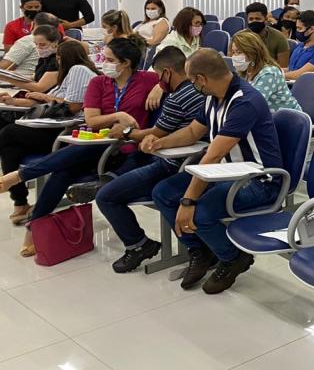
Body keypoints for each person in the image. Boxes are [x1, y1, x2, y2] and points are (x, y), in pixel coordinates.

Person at [1, 38, 160, 256]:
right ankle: (33, 226)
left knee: (67, 164)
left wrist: (159, 88)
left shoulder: (148, 80)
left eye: (110, 60)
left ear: (126, 63)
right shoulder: (99, 83)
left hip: (128, 148)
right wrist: (118, 116)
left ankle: (21, 177)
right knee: (62, 172)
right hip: (98, 145)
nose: (104, 63)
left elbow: (176, 78)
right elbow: (92, 120)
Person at [149, 49, 283, 294]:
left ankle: (233, 258)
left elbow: (213, 155)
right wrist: (159, 142)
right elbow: (192, 132)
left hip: (259, 181)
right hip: (224, 174)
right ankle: (201, 250)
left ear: (201, 79)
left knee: (199, 212)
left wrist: (188, 201)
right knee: (163, 193)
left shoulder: (244, 101)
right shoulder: (213, 96)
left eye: (191, 80)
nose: (191, 84)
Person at [94, 47, 205, 273]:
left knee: (106, 197)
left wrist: (126, 132)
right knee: (132, 163)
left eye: (159, 76)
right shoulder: (200, 90)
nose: (158, 82)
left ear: (167, 73)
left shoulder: (177, 98)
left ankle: (139, 245)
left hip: (172, 164)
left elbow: (157, 133)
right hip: (181, 159)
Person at [0, 41, 97, 224]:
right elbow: (44, 103)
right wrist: (13, 101)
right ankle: (20, 203)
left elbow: (73, 106)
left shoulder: (79, 70)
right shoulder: (67, 75)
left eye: (58, 58)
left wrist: (45, 97)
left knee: (8, 133)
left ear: (64, 57)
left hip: (65, 132)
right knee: (10, 149)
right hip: (51, 127)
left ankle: (19, 195)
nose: (57, 61)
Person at [230, 31, 301, 112]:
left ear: (253, 53)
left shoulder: (269, 73)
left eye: (239, 52)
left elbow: (252, 104)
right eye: (233, 52)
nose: (234, 56)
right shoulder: (245, 71)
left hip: (285, 118)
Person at [0, 11, 63, 78]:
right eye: (36, 44)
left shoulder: (27, 41)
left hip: (17, 81)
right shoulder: (61, 41)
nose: (38, 47)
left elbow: (3, 67)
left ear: (32, 24)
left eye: (42, 45)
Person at [284, 10, 314, 80]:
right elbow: (291, 69)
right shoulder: (299, 46)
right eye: (297, 28)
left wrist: (277, 76)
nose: (297, 31)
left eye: (300, 28)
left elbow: (299, 75)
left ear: (311, 29)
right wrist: (274, 71)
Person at [244, 2, 290, 68]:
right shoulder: (240, 37)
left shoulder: (279, 38)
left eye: (257, 19)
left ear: (266, 19)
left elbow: (283, 67)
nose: (254, 21)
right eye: (251, 19)